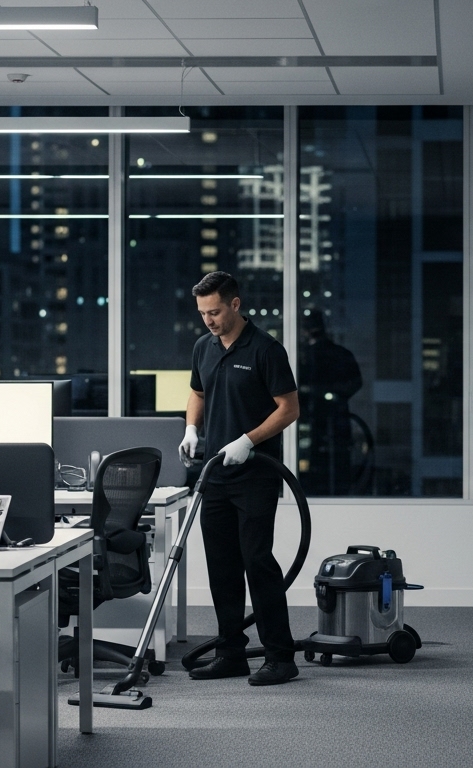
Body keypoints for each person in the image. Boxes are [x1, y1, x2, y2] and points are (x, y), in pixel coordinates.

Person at [178, 272, 302, 686]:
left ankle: (280, 657)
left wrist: (248, 440)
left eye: (214, 311)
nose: (208, 320)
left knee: (257, 563)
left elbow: (288, 409)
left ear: (234, 304)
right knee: (222, 567)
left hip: (255, 474)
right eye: (202, 314)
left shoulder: (266, 349)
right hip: (215, 475)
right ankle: (231, 653)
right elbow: (198, 392)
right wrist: (190, 428)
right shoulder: (203, 347)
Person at [297, 310, 363, 496]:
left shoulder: (330, 354)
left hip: (330, 419)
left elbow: (354, 382)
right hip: (311, 419)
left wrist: (330, 394)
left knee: (334, 464)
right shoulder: (302, 356)